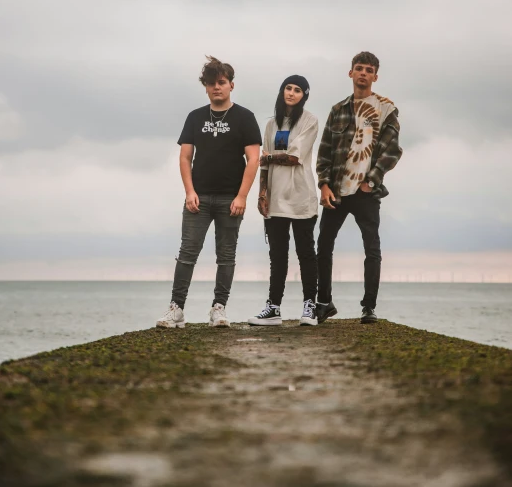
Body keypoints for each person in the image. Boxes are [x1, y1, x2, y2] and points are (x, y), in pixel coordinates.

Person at [157, 56, 261, 329]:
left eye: (222, 83)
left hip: (230, 199)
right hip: (198, 198)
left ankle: (219, 308)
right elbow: (184, 157)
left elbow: (253, 159)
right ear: (205, 87)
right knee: (187, 254)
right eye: (211, 83)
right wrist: (190, 192)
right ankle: (176, 309)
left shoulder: (245, 117)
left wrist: (242, 196)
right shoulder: (195, 117)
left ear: (231, 85)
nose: (217, 88)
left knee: (226, 256)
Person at [316, 51, 402, 324]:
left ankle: (369, 307)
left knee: (371, 249)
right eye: (359, 68)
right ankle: (324, 302)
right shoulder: (337, 110)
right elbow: (325, 151)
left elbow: (392, 151)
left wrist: (371, 181)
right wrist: (324, 185)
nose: (363, 73)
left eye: (368, 70)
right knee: (324, 244)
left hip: (366, 191)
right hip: (338, 191)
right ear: (350, 73)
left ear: (375, 76)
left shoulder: (386, 108)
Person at [248, 75, 319, 327]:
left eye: (297, 90)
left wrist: (267, 157)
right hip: (275, 199)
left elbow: (294, 158)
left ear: (304, 95)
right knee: (277, 255)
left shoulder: (310, 121)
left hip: (301, 197)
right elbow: (262, 166)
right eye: (287, 88)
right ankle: (273, 307)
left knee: (306, 254)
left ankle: (310, 306)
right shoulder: (270, 125)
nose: (291, 93)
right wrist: (261, 193)